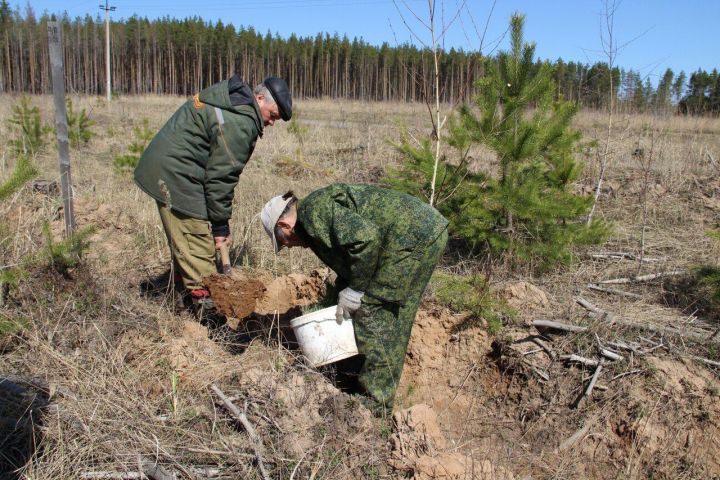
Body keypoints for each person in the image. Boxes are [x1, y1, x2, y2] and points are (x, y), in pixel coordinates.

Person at [260, 183, 448, 413]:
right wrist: (345, 289)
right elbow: (351, 257)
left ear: (284, 225)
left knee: (374, 314)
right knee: (393, 311)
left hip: (409, 237)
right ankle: (356, 376)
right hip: (423, 232)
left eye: (282, 241)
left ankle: (373, 406)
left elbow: (366, 240)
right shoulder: (313, 221)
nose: (287, 247)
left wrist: (357, 290)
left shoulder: (311, 213)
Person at [134, 75, 292, 318]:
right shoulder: (241, 121)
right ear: (259, 98)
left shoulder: (234, 104)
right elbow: (221, 178)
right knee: (197, 244)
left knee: (187, 241)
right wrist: (220, 226)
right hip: (176, 175)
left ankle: (178, 293)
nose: (272, 123)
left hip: (175, 169)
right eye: (272, 115)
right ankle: (211, 319)